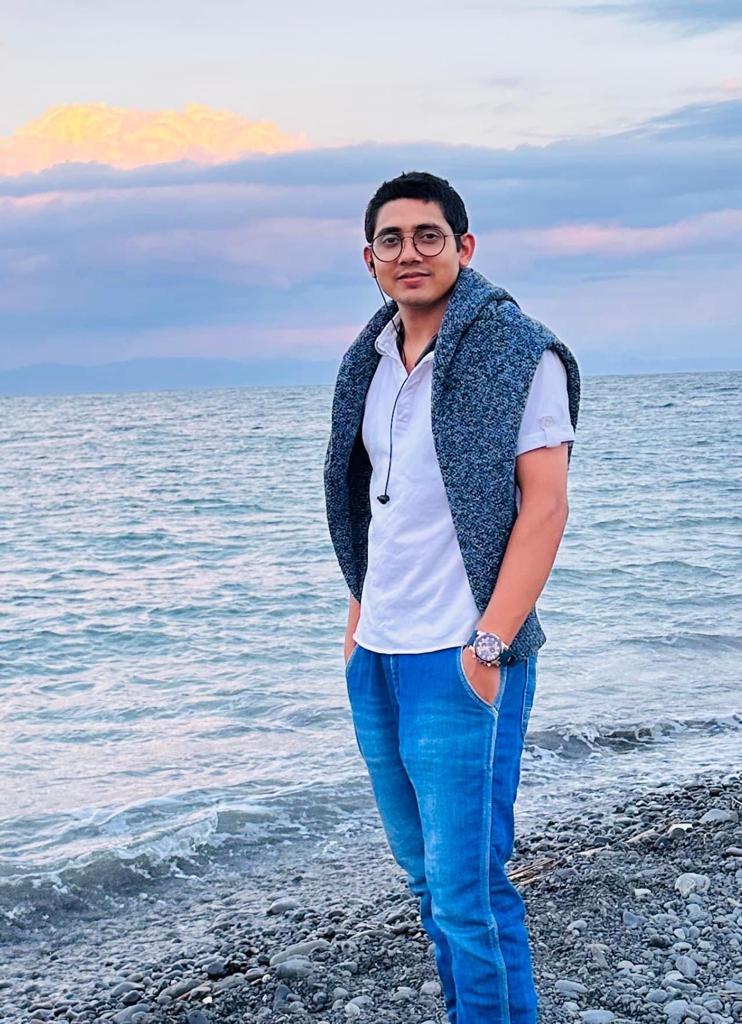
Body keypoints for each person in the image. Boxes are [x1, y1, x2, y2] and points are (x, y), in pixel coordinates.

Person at [323, 170, 581, 1023]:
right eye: (391, 239)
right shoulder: (368, 362)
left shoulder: (521, 353)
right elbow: (375, 506)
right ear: (369, 258)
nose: (410, 252)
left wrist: (489, 646)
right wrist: (356, 623)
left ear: (464, 248)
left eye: (428, 236)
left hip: (464, 654)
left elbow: (545, 508)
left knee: (469, 892)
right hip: (379, 653)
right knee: (427, 881)